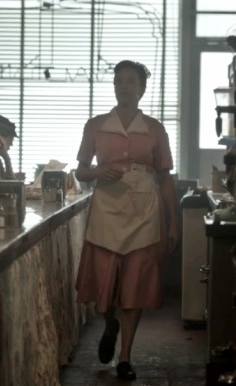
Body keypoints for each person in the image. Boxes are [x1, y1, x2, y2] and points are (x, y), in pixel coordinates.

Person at [74, 60, 179, 381]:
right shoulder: (96, 125)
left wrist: (172, 222)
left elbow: (166, 178)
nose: (124, 87)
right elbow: (80, 171)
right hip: (107, 207)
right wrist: (96, 172)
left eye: (131, 81)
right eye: (119, 81)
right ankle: (109, 324)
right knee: (105, 283)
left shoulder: (155, 128)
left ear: (142, 88)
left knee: (134, 284)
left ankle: (126, 356)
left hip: (146, 210)